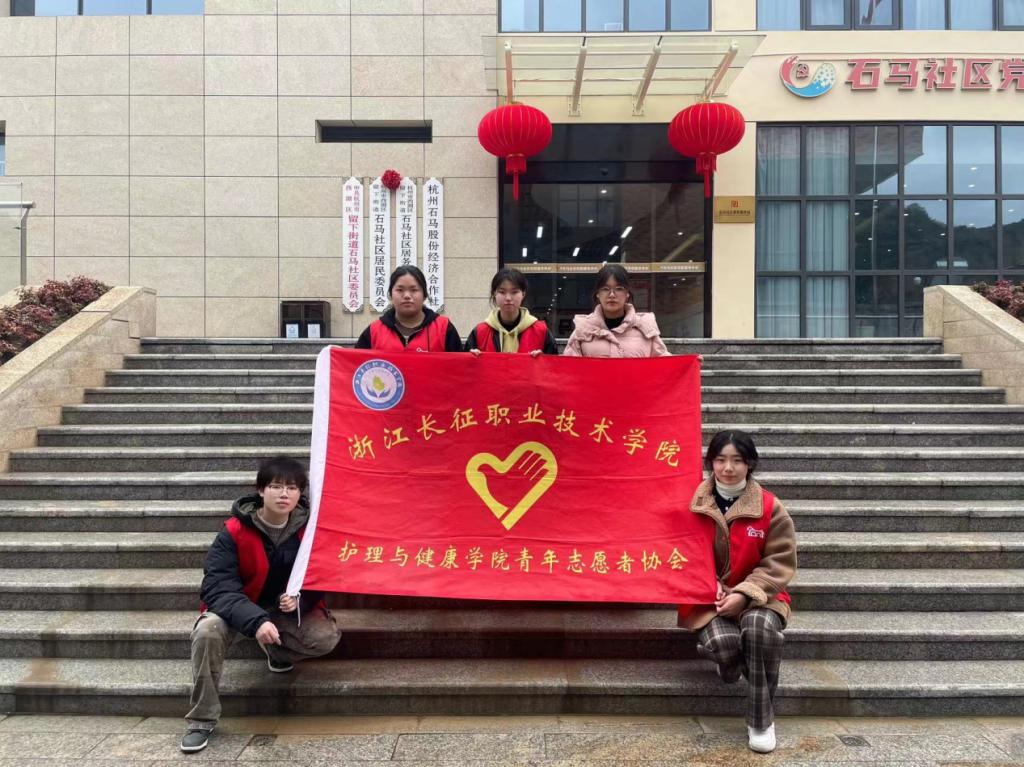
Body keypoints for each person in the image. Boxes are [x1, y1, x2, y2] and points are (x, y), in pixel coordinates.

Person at [180, 456, 340, 753]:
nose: (284, 494)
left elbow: (322, 575)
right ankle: (201, 719)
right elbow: (217, 587)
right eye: (276, 486)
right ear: (261, 490)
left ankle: (275, 651)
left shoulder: (309, 531)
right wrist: (255, 620)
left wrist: (300, 599)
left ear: (300, 493)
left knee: (324, 638)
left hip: (281, 611)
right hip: (237, 608)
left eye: (292, 488)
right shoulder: (234, 531)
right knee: (207, 631)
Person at [678, 430, 797, 754]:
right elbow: (681, 552)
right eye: (720, 460)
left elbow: (780, 561)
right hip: (708, 598)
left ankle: (761, 720)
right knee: (725, 645)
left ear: (750, 464)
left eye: (737, 460)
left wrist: (744, 594)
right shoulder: (693, 503)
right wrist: (708, 584)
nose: (728, 468)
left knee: (758, 629)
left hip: (761, 597)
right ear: (711, 462)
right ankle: (730, 663)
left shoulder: (770, 507)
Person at [562, 264, 670, 358]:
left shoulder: (645, 327)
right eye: (605, 289)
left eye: (619, 289)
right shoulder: (583, 329)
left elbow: (665, 365)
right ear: (597, 293)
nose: (612, 295)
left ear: (627, 293)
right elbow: (568, 368)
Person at [355, 265, 463, 351]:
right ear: (390, 294)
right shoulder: (374, 331)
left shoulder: (443, 328)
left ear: (424, 295)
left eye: (414, 290)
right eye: (400, 290)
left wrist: (472, 357)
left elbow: (460, 366)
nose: (407, 295)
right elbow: (356, 365)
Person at [464, 267, 558, 356]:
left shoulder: (540, 331)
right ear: (494, 293)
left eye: (514, 292)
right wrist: (471, 359)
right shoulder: (480, 332)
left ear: (523, 294)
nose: (508, 298)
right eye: (502, 292)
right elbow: (464, 365)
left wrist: (544, 360)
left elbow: (555, 364)